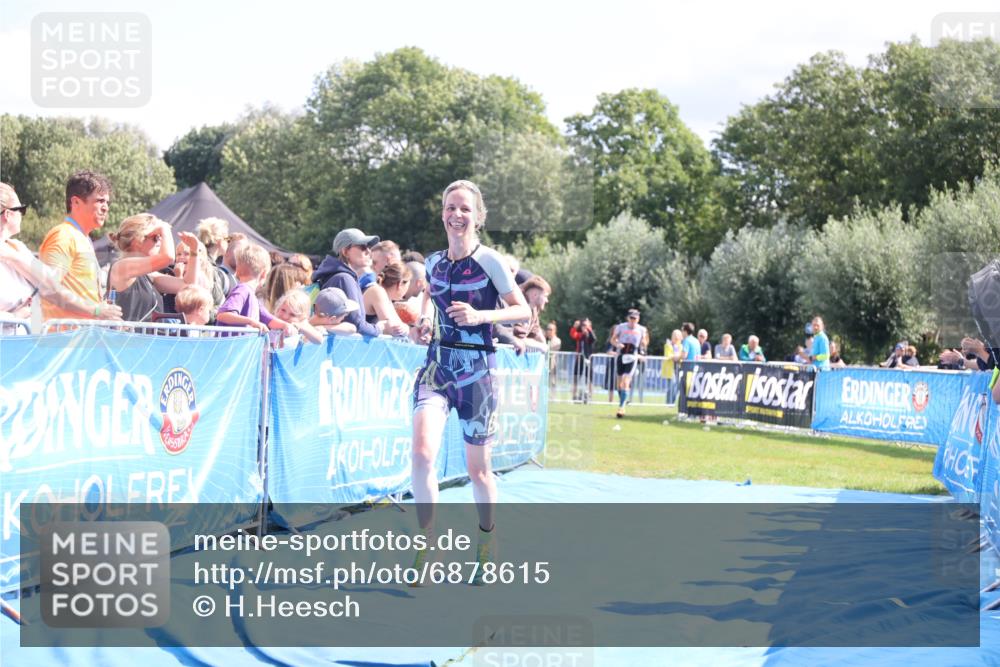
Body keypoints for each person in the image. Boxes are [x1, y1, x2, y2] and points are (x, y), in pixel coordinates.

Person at [408, 180, 531, 585]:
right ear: (442, 213)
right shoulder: (432, 263)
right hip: (436, 367)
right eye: (450, 207)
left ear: (477, 217)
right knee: (423, 453)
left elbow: (522, 311)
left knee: (479, 470)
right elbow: (429, 298)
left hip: (478, 372)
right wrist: (423, 324)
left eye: (464, 209)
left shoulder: (490, 261)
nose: (456, 215)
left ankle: (486, 539)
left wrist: (481, 317)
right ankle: (427, 544)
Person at [38, 171, 124, 321]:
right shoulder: (63, 235)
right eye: (99, 201)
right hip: (62, 340)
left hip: (80, 339)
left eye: (107, 202)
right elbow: (48, 289)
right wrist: (96, 310)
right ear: (76, 202)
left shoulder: (82, 237)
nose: (106, 208)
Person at [312, 228, 406, 337]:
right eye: (362, 247)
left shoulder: (337, 275)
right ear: (345, 251)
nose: (368, 251)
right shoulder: (344, 278)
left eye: (368, 247)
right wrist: (379, 328)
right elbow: (356, 324)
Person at [107, 214, 200, 323]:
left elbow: (188, 286)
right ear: (137, 240)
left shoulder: (149, 275)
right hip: (128, 339)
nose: (160, 241)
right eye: (156, 236)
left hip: (145, 338)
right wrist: (164, 228)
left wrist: (194, 250)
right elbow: (168, 258)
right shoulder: (122, 267)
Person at [215, 243, 297, 338]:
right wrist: (251, 322)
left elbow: (269, 319)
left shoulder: (252, 296)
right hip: (229, 350)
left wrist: (286, 325)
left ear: (237, 270)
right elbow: (223, 315)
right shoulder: (242, 290)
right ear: (263, 274)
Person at [0, 183, 39, 322]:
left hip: (23, 340)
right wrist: (15, 317)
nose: (22, 215)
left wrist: (12, 257)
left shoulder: (18, 247)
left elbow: (50, 283)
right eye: (21, 210)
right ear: (8, 215)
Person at [610, 308, 648, 418]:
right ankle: (622, 402)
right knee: (619, 384)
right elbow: (613, 340)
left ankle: (622, 407)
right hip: (621, 356)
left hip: (632, 357)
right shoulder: (620, 327)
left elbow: (645, 343)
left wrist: (643, 344)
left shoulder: (642, 329)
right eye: (631, 318)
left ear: (638, 319)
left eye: (635, 319)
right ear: (628, 318)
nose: (633, 321)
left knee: (626, 382)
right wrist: (617, 344)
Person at [363, 260, 412, 335]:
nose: (407, 291)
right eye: (407, 286)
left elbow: (399, 325)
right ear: (400, 284)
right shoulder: (378, 291)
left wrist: (406, 328)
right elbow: (392, 328)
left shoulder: (385, 296)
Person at [569, 317, 597, 403]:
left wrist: (588, 329)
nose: (584, 327)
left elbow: (594, 339)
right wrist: (574, 327)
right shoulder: (580, 334)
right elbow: (573, 335)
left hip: (589, 358)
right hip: (579, 358)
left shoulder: (591, 333)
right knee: (576, 377)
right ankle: (574, 396)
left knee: (590, 378)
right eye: (583, 325)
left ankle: (590, 396)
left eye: (586, 325)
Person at [660, 329, 683, 406]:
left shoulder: (681, 346)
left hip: (678, 369)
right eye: (675, 336)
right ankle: (668, 403)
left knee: (676, 388)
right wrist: (677, 356)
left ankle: (671, 403)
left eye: (678, 336)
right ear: (672, 336)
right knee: (671, 387)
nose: (676, 338)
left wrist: (676, 357)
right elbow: (669, 356)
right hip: (670, 370)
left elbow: (681, 356)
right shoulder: (668, 345)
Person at [545, 321, 561, 391]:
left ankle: (552, 396)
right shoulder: (544, 339)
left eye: (550, 329)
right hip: (543, 362)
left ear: (555, 331)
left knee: (552, 380)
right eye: (548, 329)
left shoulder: (557, 340)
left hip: (552, 363)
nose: (548, 331)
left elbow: (550, 349)